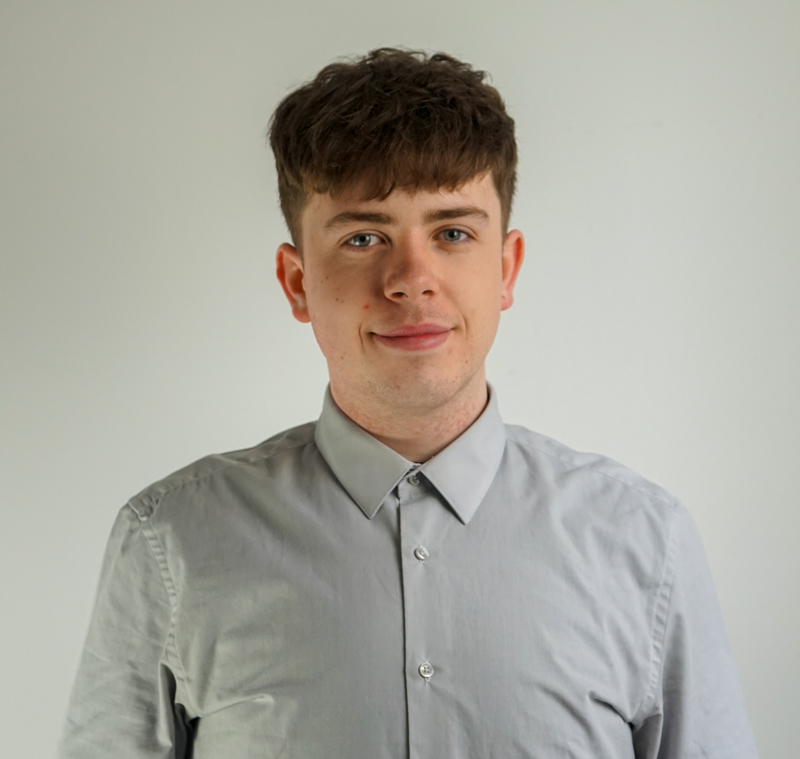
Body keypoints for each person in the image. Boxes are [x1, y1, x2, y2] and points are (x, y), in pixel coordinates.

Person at [58, 48, 758, 758]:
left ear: (506, 267)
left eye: (453, 233)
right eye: (364, 237)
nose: (411, 278)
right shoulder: (170, 541)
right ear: (296, 282)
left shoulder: (645, 542)